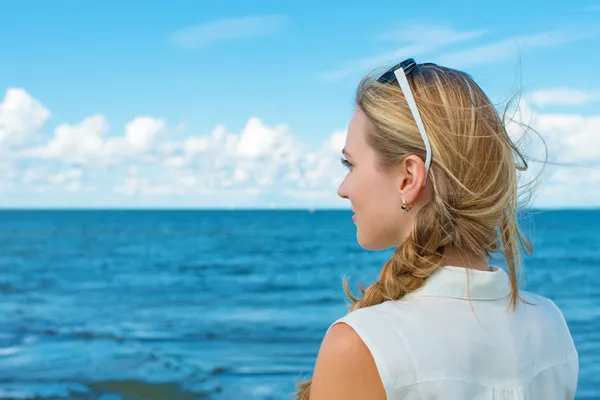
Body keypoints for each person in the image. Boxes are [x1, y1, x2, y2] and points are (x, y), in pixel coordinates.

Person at [294, 59, 579, 399]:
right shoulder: (550, 324)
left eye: (350, 165)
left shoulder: (361, 345)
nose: (343, 188)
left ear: (409, 177)